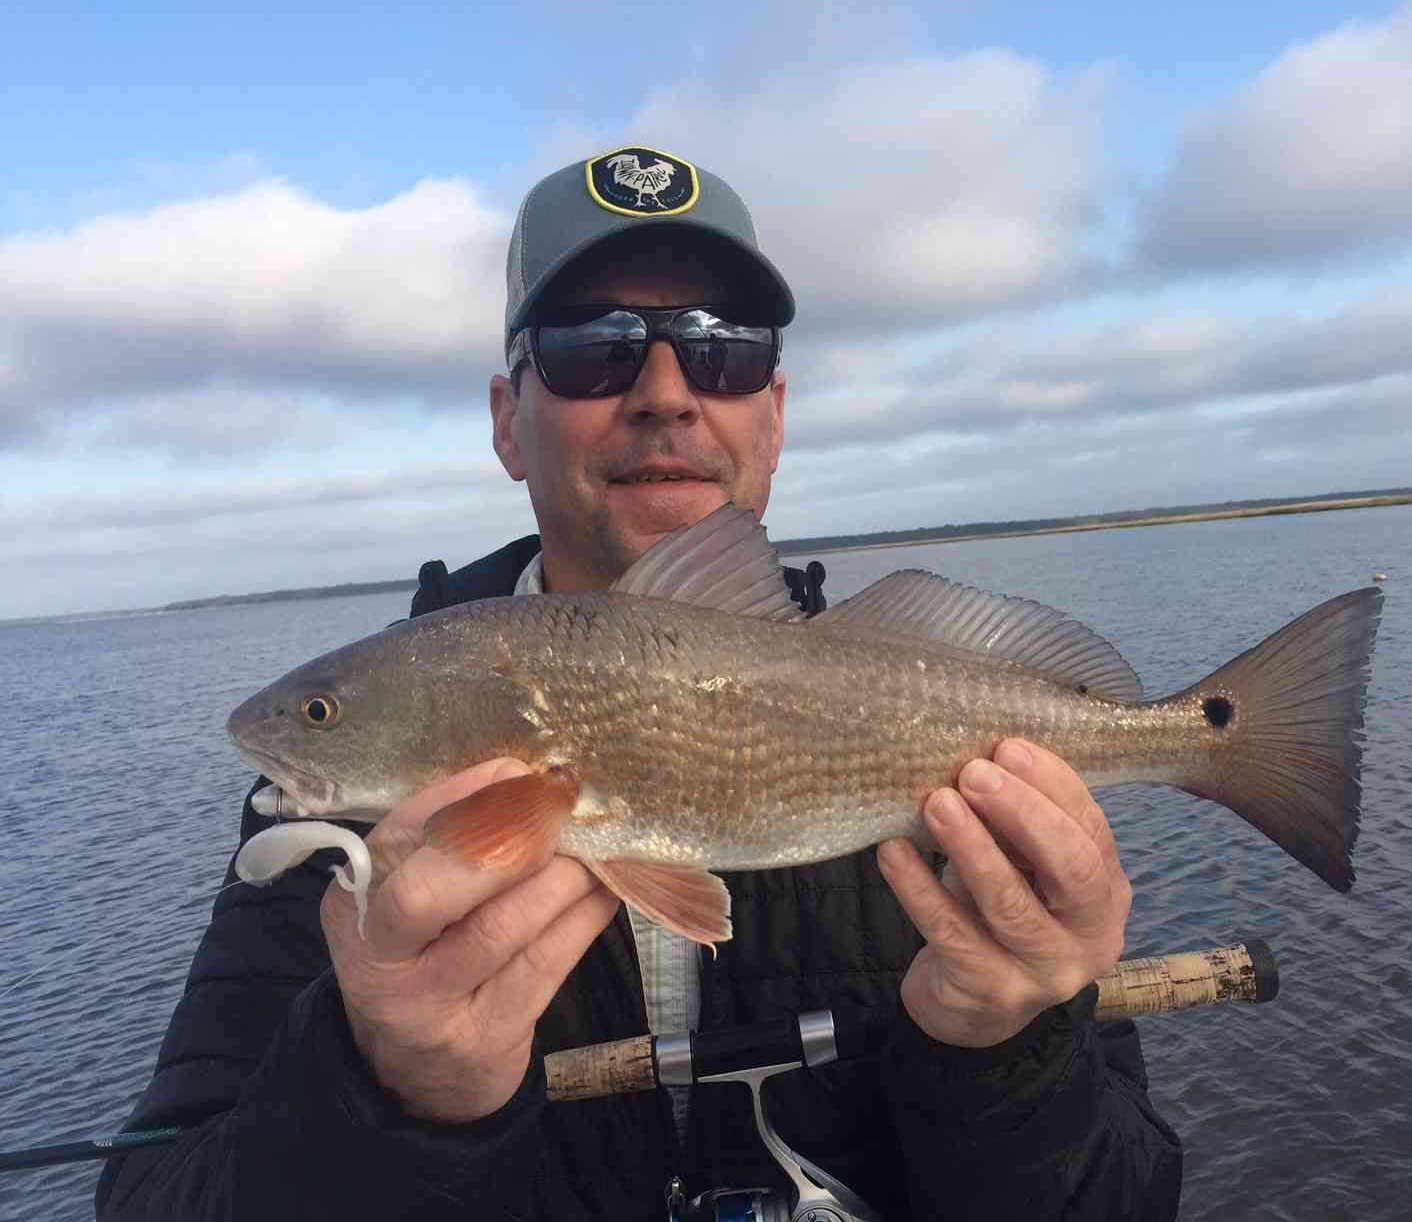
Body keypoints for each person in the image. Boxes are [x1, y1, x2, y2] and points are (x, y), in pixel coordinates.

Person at [97, 147, 1183, 1220]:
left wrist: (1012, 1050)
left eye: (724, 349)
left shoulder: (948, 721)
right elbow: (152, 1192)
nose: (665, 393)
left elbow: (1129, 1200)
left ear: (776, 411)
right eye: (592, 347)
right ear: (504, 419)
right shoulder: (334, 827)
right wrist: (380, 1090)